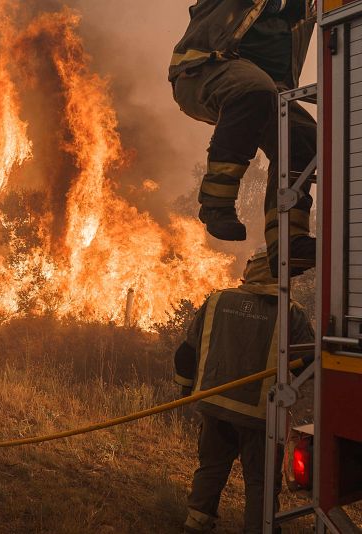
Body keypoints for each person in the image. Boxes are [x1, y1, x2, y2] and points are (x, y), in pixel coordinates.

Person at [170, 0, 316, 275]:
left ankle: (289, 240)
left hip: (269, 91)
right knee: (253, 89)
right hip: (207, 68)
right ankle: (216, 203)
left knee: (303, 138)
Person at [174, 250, 314, 533]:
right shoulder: (291, 312)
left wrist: (186, 390)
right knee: (261, 481)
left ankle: (196, 522)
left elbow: (186, 352)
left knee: (211, 466)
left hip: (214, 405)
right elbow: (308, 364)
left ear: (251, 270)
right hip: (261, 416)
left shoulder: (218, 300)